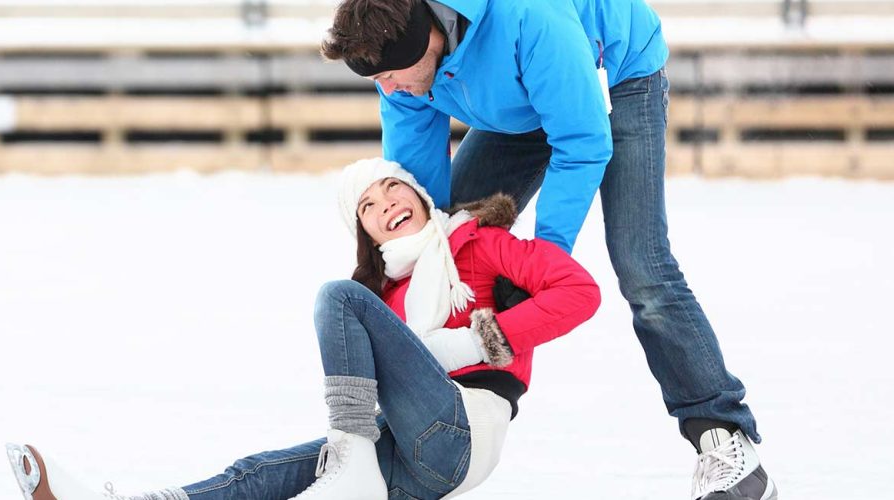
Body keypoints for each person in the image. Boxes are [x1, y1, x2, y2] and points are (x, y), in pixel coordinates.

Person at [320, 1, 778, 499]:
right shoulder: (400, 65)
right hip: (516, 105)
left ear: (425, 41)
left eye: (391, 75)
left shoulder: (528, 18)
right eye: (378, 80)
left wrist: (541, 265)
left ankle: (723, 436)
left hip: (616, 77)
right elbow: (421, 199)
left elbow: (580, 140)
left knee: (642, 266)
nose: (387, 88)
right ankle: (443, 410)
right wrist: (417, 253)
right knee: (448, 243)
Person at [6, 157, 601, 500]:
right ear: (367, 234)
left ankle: (349, 464)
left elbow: (580, 292)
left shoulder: (481, 244)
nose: (385, 201)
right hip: (415, 456)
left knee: (336, 299)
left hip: (465, 429)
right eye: (367, 205)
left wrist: (477, 340)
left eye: (392, 185)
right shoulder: (385, 299)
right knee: (270, 473)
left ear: (418, 194)